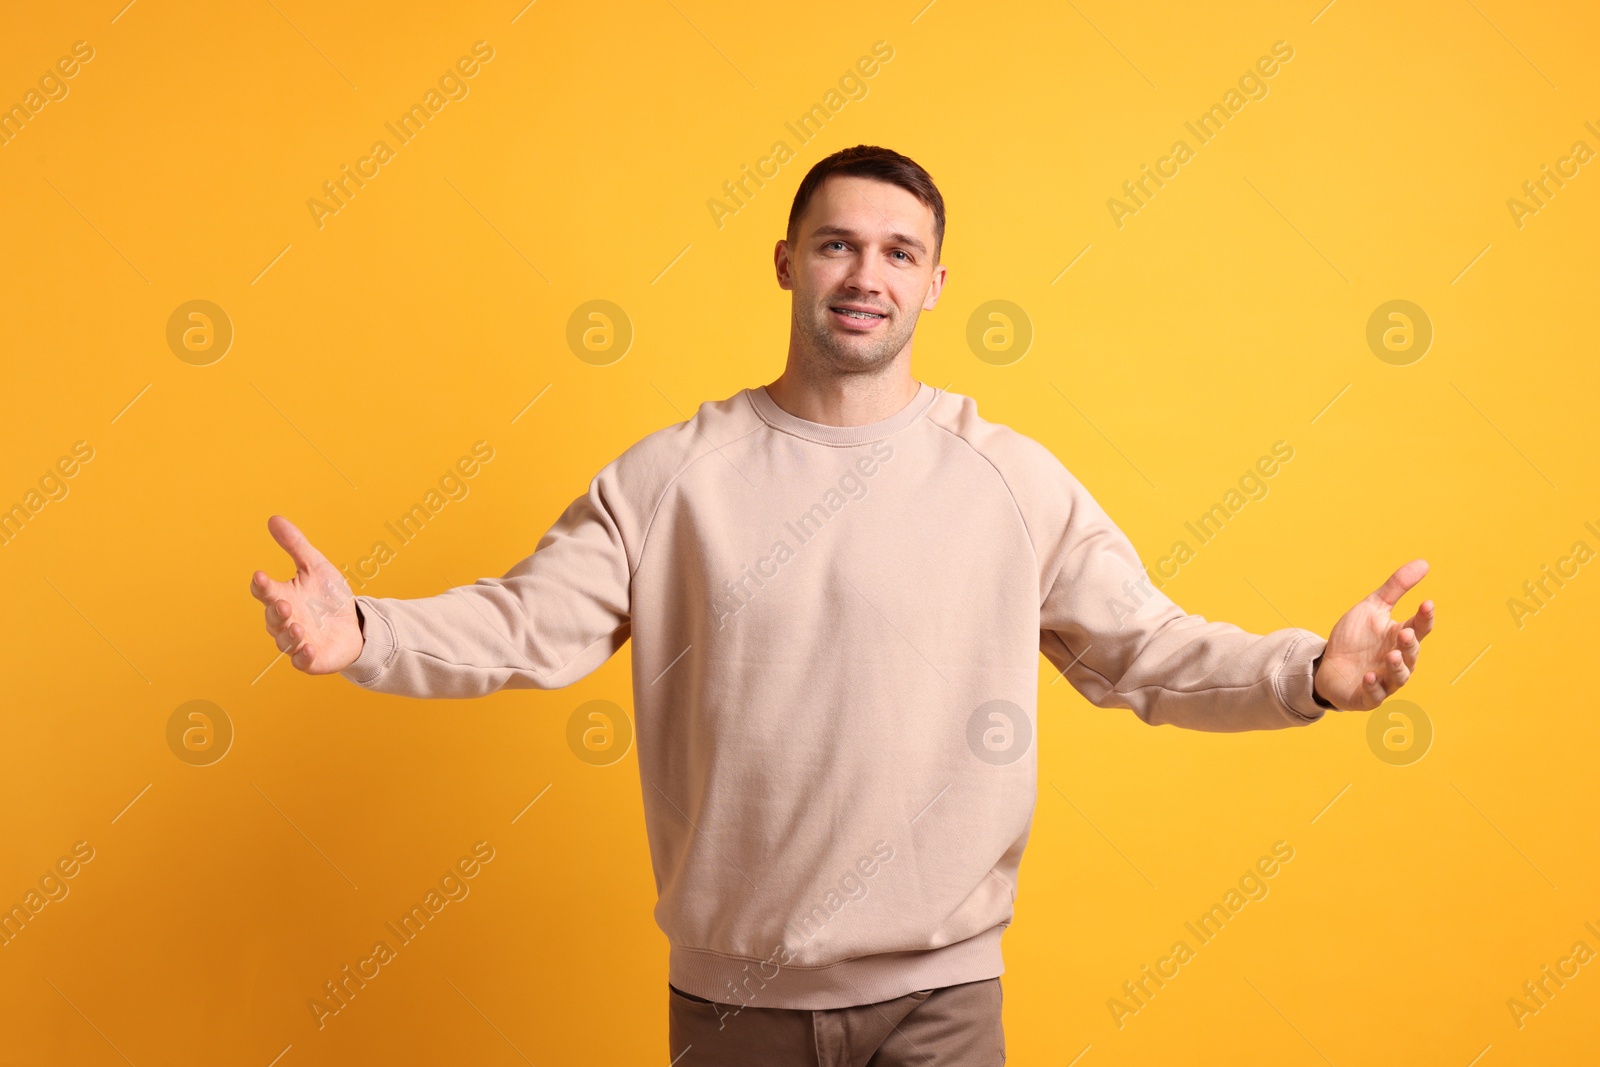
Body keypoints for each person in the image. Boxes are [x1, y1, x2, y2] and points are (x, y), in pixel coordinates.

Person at [250, 145, 1434, 1065]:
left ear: (934, 282)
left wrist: (1311, 676)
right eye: (836, 246)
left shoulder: (1008, 478)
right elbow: (526, 622)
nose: (866, 276)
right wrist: (369, 630)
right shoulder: (670, 478)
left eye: (897, 252)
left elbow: (1148, 650)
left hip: (941, 1003)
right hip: (734, 1007)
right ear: (785, 262)